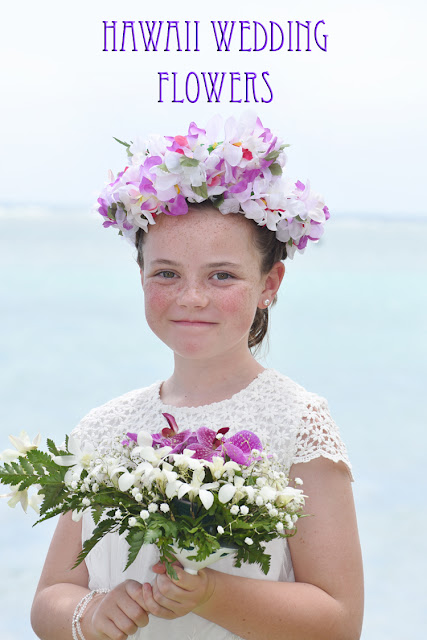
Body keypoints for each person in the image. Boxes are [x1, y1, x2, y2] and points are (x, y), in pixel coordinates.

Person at [31, 113, 364, 640]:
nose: (191, 298)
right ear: (139, 274)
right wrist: (89, 613)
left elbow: (340, 621)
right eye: (166, 273)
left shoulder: (297, 421)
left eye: (222, 275)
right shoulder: (103, 425)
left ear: (270, 282)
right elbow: (51, 596)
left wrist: (212, 593)